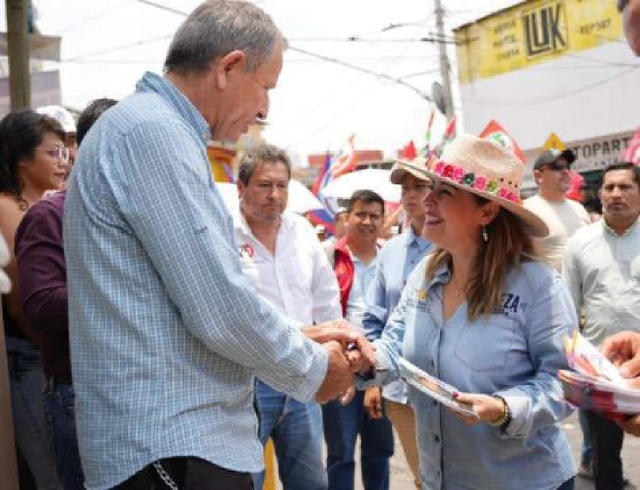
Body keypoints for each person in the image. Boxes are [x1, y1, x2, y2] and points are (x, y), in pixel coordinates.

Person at [63, 2, 372, 489]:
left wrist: (302, 337)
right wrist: (314, 370)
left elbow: (178, 304)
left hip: (173, 441)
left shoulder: (155, 130)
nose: (265, 109)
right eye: (266, 87)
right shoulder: (153, 133)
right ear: (229, 68)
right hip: (172, 444)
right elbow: (218, 308)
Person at [368, 134, 577, 489]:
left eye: (444, 192)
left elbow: (566, 382)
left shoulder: (537, 284)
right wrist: (361, 358)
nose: (427, 200)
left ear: (487, 210)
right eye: (431, 187)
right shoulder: (425, 272)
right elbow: (393, 343)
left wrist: (504, 407)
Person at [14, 98, 117, 490]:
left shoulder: (135, 218)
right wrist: (118, 292)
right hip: (81, 393)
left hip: (137, 391)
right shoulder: (50, 216)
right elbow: (40, 305)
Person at [233, 143, 341, 490]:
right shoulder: (222, 233)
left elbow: (325, 299)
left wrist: (336, 353)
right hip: (246, 382)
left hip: (301, 376)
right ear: (242, 187)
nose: (274, 195)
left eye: (282, 186)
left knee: (310, 482)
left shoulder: (303, 232)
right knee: (248, 481)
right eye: (265, 185)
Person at [0, 109, 69, 490]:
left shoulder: (49, 206)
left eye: (64, 152)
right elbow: (23, 298)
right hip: (32, 357)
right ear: (21, 158)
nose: (63, 161)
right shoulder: (7, 208)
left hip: (52, 356)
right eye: (52, 152)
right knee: (53, 475)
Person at [564, 162, 640, 490]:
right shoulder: (580, 243)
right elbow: (567, 306)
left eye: (625, 187)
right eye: (609, 187)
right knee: (605, 455)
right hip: (600, 370)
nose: (615, 194)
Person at [362, 161, 433, 489]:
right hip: (400, 391)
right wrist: (374, 381)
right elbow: (374, 319)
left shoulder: (454, 247)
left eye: (419, 187)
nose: (412, 195)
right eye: (405, 189)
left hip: (446, 386)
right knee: (422, 477)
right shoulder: (389, 252)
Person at [323, 189, 394, 490]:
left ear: (382, 220)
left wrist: (376, 379)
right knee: (340, 454)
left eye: (374, 215)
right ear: (347, 218)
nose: (367, 221)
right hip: (341, 369)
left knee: (379, 453)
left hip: (382, 368)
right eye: (360, 214)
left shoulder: (392, 258)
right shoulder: (329, 256)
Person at [523, 148, 590, 272]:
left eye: (567, 166)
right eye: (557, 166)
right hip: (545, 289)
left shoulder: (579, 209)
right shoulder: (526, 209)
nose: (565, 171)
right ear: (538, 176)